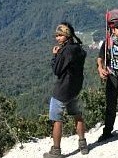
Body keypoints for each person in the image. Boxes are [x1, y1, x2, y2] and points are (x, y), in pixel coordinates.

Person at [44, 22, 88, 158]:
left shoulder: (65, 51)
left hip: (62, 90)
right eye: (57, 35)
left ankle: (56, 151)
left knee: (57, 120)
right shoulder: (78, 48)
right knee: (77, 115)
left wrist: (55, 56)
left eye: (60, 35)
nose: (57, 38)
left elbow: (57, 70)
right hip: (75, 89)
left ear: (67, 36)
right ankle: (83, 145)